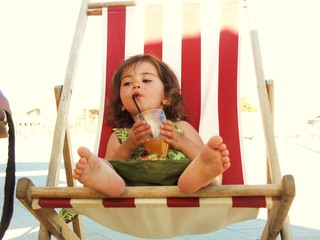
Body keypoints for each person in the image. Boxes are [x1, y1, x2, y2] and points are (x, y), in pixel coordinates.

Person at [73, 54, 230, 196]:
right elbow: (112, 164)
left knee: (210, 169)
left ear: (166, 97)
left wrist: (181, 141)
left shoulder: (181, 127)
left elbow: (202, 157)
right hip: (135, 187)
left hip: (181, 182)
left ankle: (199, 178)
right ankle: (105, 181)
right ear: (121, 103)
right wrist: (128, 146)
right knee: (107, 168)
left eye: (146, 80)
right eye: (127, 83)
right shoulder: (121, 135)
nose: (136, 85)